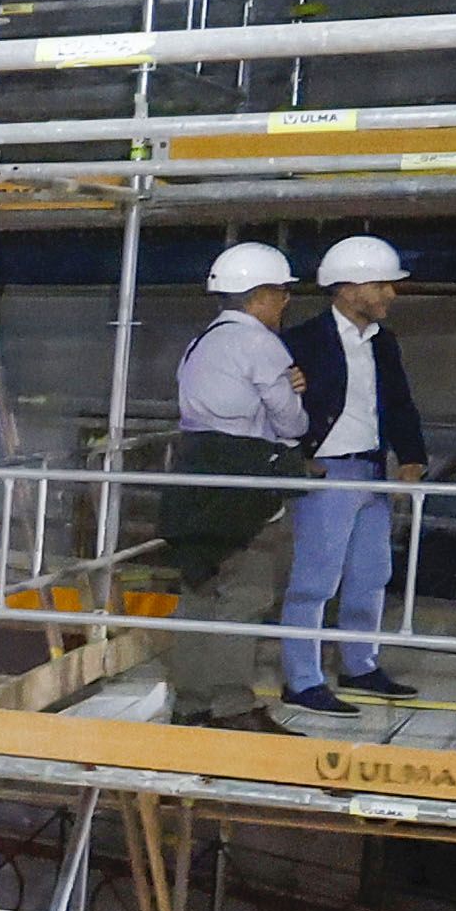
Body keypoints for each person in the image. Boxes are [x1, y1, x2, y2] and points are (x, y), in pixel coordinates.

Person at [270, 233, 432, 721]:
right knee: (314, 581)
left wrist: (411, 455)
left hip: (371, 468)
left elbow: (399, 401)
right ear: (347, 288)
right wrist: (300, 458)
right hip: (327, 471)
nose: (390, 295)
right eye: (381, 284)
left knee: (370, 574)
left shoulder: (383, 343)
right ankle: (302, 679)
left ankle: (359, 663)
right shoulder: (301, 341)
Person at [155, 243, 308, 709]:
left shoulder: (200, 342)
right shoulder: (259, 343)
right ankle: (233, 706)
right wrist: (291, 392)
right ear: (260, 295)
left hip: (194, 472)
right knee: (245, 591)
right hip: (243, 477)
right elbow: (291, 423)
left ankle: (192, 703)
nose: (284, 304)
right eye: (282, 295)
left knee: (200, 587)